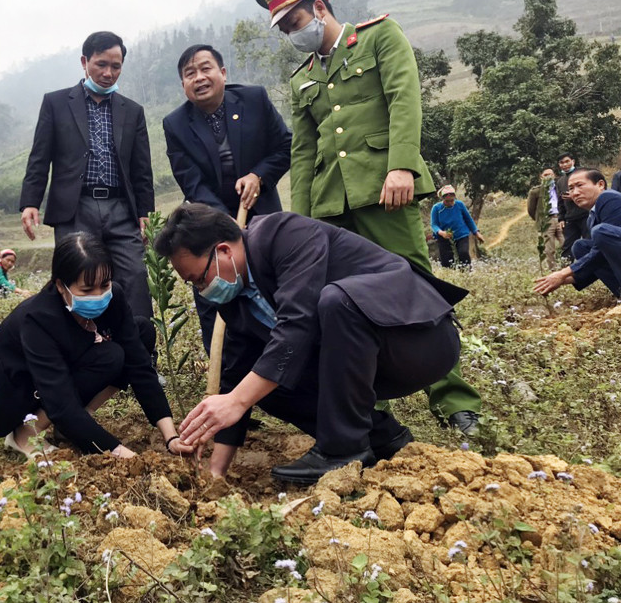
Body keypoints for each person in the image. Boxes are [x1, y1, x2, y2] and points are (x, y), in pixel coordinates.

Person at [253, 0, 483, 436]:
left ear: (319, 9)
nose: (291, 35)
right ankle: (366, 404)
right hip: (330, 206)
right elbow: (304, 149)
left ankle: (454, 399)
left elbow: (404, 100)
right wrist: (300, 218)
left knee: (417, 285)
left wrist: (401, 167)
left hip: (385, 189)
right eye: (283, 30)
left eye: (294, 21)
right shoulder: (304, 80)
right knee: (336, 303)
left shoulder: (379, 37)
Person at [154, 204, 466, 485]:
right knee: (262, 386)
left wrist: (236, 400)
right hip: (362, 362)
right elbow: (237, 376)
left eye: (198, 279)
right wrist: (215, 471)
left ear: (222, 250)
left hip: (420, 341)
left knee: (336, 302)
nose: (202, 290)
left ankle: (343, 449)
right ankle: (382, 439)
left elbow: (298, 321)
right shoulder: (235, 301)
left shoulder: (284, 234)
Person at [0, 233, 193, 459]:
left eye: (104, 285)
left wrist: (171, 436)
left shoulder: (112, 297)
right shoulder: (38, 319)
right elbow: (59, 398)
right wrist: (123, 455)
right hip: (12, 387)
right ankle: (26, 434)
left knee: (138, 334)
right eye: (86, 290)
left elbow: (140, 366)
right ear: (61, 286)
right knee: (102, 363)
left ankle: (78, 421)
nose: (98, 296)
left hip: (57, 372)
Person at [162, 44, 292, 350]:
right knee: (213, 290)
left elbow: (284, 147)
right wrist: (225, 223)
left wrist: (258, 176)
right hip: (209, 223)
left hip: (262, 216)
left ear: (222, 72)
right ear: (183, 85)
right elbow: (191, 181)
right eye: (189, 74)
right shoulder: (175, 124)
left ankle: (284, 355)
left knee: (272, 286)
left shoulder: (254, 99)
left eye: (206, 68)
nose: (199, 78)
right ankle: (228, 378)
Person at [19, 31, 154, 318]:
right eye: (101, 64)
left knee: (135, 276)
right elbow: (40, 157)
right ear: (85, 62)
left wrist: (146, 213)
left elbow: (141, 169)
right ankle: (79, 349)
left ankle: (141, 352)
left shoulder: (132, 111)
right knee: (77, 278)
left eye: (115, 67)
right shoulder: (56, 103)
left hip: (121, 209)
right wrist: (30, 202)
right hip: (75, 208)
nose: (108, 73)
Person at [534, 169, 621, 297]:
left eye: (580, 185)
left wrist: (563, 272)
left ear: (600, 185)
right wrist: (562, 280)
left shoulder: (609, 198)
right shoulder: (592, 217)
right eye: (571, 188)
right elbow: (599, 259)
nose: (575, 193)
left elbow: (600, 248)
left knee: (599, 233)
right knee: (581, 246)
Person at [430, 185, 484, 268]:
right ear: (443, 199)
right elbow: (434, 224)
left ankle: (466, 273)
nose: (450, 203)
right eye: (447, 201)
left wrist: (476, 233)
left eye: (452, 200)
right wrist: (441, 233)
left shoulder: (460, 205)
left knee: (463, 253)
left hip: (461, 235)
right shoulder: (436, 208)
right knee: (446, 261)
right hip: (444, 237)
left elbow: (468, 219)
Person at [527, 168, 564, 269]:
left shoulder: (559, 188)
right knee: (549, 248)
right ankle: (553, 270)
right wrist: (541, 220)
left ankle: (567, 267)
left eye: (551, 174)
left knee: (565, 243)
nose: (548, 177)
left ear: (554, 176)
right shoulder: (536, 191)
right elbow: (531, 209)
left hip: (560, 218)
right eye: (546, 174)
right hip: (547, 220)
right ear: (541, 177)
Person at [556, 153, 589, 262]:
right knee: (567, 247)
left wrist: (574, 195)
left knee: (589, 243)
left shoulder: (583, 174)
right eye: (561, 162)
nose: (564, 164)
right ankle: (564, 271)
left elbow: (590, 191)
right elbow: (560, 202)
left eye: (567, 161)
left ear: (573, 161)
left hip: (586, 214)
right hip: (570, 217)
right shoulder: (560, 181)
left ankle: (596, 271)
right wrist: (561, 218)